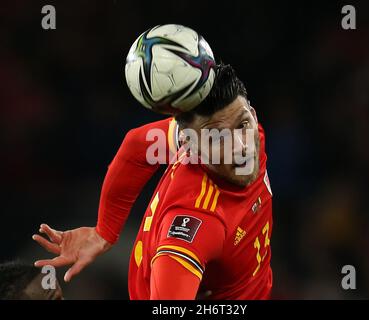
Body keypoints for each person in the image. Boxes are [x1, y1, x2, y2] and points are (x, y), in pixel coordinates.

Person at [33, 64, 273, 299]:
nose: (242, 148)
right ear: (190, 145)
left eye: (243, 124)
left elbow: (136, 146)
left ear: (252, 114)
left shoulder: (236, 128)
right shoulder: (197, 224)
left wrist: (104, 232)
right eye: (218, 139)